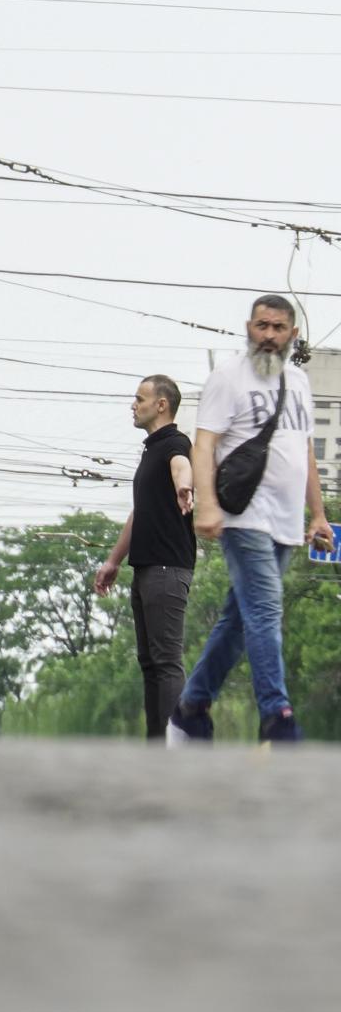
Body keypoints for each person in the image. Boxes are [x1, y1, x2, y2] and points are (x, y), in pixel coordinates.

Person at [169, 295, 332, 744]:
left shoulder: (298, 380)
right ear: (248, 327)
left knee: (239, 620)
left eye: (278, 328)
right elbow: (204, 444)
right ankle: (277, 717)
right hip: (243, 515)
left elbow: (304, 453)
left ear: (292, 335)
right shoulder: (228, 377)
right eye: (261, 325)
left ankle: (192, 707)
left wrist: (318, 514)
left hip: (284, 520)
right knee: (264, 610)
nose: (269, 335)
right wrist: (207, 504)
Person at [92, 374, 195, 740]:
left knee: (166, 662)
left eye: (139, 398)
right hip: (148, 568)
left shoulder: (174, 443)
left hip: (168, 569)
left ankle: (174, 743)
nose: (133, 405)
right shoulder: (151, 450)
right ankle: (156, 745)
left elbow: (182, 464)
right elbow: (140, 513)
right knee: (149, 662)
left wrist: (184, 485)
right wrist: (113, 561)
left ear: (161, 404)